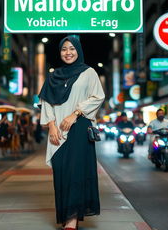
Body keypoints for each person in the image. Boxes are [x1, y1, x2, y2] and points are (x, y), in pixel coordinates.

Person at [39, 36, 105, 230]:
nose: (68, 52)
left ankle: (71, 220)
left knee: (76, 174)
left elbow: (98, 97)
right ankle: (65, 215)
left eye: (72, 49)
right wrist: (51, 125)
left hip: (78, 129)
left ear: (78, 50)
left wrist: (75, 114)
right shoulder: (53, 76)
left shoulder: (89, 72)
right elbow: (46, 102)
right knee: (61, 174)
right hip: (56, 132)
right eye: (64, 49)